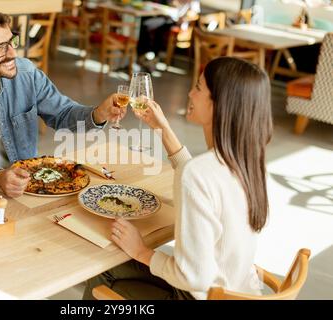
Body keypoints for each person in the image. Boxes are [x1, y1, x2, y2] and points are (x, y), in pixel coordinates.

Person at [84, 57, 273, 300]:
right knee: (106, 269)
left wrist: (140, 250)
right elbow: (203, 182)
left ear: (219, 103)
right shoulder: (250, 163)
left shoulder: (199, 173)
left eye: (198, 87)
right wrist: (161, 127)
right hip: (238, 289)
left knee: (103, 275)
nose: (190, 94)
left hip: (199, 294)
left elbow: (195, 276)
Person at [0, 7, 125, 198]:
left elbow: (62, 113)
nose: (13, 53)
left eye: (11, 41)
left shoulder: (26, 73)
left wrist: (98, 114)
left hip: (28, 187)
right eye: (0, 48)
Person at [137, 0, 200, 72]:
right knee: (146, 25)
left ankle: (151, 57)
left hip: (179, 24)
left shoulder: (194, 2)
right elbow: (170, 6)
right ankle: (145, 56)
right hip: (168, 18)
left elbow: (193, 14)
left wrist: (183, 17)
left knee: (156, 29)